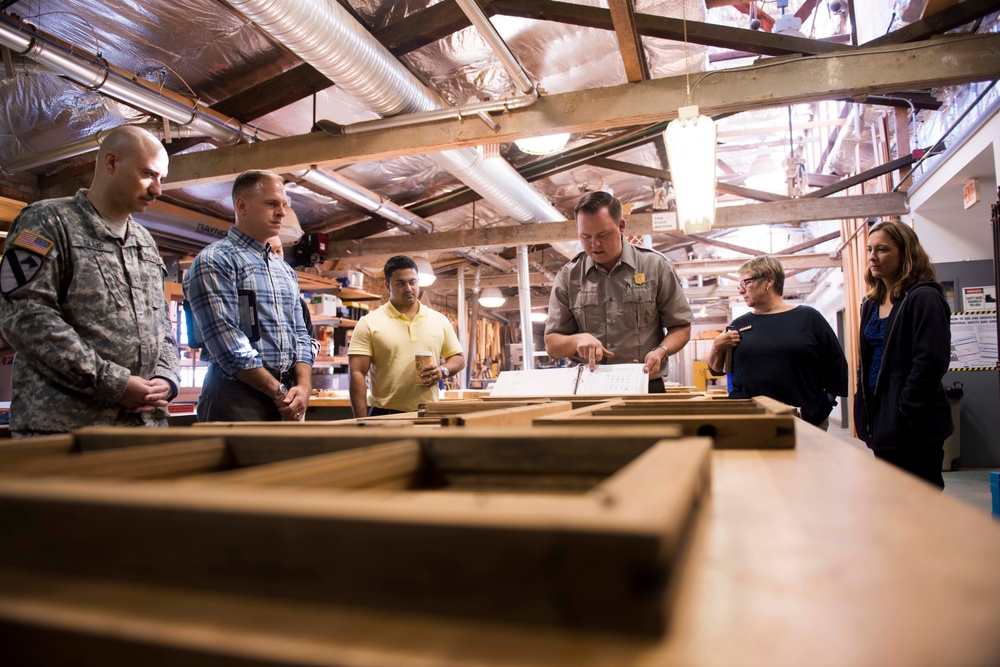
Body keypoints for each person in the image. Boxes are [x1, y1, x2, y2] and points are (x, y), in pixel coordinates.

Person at [0, 125, 179, 437]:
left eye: (161, 178)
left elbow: (161, 325)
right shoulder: (47, 221)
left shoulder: (145, 242)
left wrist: (166, 379)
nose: (157, 189)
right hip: (67, 428)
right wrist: (113, 383)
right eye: (149, 174)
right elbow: (24, 315)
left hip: (143, 426)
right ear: (111, 163)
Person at [183, 170, 314, 422]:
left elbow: (301, 335)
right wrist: (281, 393)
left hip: (284, 394)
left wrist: (304, 387)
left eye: (283, 205)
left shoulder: (284, 270)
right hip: (236, 396)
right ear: (242, 205)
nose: (282, 212)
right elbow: (229, 344)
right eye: (271, 204)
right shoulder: (215, 261)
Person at [544, 191, 693, 392]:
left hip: (645, 385)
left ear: (621, 227)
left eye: (602, 235)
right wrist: (578, 339)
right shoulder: (568, 277)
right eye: (585, 237)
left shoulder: (656, 267)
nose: (594, 244)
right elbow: (552, 343)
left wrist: (661, 351)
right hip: (588, 390)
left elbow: (681, 327)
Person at [854, 220, 952, 488]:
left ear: (905, 252)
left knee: (920, 501)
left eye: (882, 249)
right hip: (880, 416)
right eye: (870, 250)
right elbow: (868, 359)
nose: (873, 257)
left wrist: (906, 408)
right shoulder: (871, 303)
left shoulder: (923, 298)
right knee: (892, 500)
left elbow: (930, 361)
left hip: (913, 422)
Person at [707, 255, 847, 429]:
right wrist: (716, 347)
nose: (741, 291)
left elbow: (835, 363)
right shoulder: (739, 324)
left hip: (803, 419)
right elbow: (716, 369)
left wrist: (827, 402)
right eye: (739, 285)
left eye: (746, 283)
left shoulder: (808, 318)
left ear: (769, 281)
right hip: (747, 420)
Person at [348, 255, 465, 417]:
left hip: (428, 414)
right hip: (385, 415)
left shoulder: (439, 320)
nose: (408, 288)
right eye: (400, 284)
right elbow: (357, 373)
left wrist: (443, 371)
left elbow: (458, 358)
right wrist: (360, 423)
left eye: (412, 282)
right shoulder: (369, 323)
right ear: (387, 285)